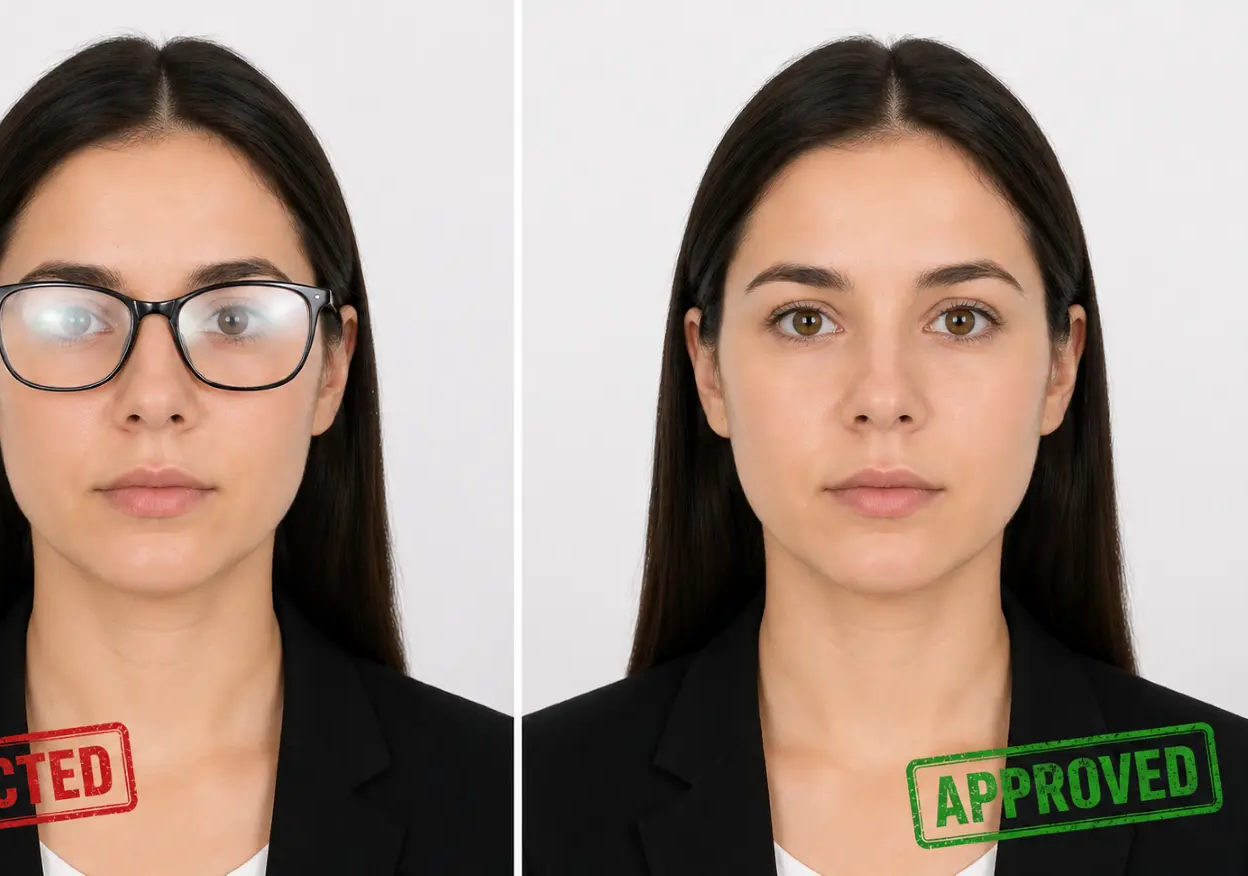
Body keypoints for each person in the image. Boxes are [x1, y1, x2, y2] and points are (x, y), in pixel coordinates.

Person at [524, 35, 1248, 875]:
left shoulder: (1229, 811)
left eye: (961, 319)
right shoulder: (532, 806)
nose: (882, 396)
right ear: (708, 370)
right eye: (805, 320)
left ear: (1061, 367)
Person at [0, 35, 511, 875]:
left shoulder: (504, 808)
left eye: (234, 318)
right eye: (75, 317)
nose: (156, 395)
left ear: (332, 369)